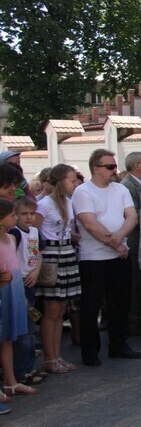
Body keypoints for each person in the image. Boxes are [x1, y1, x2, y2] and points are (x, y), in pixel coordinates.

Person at [72, 149, 141, 366]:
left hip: (119, 255)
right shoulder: (83, 191)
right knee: (91, 306)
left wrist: (120, 239)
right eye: (110, 167)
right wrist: (115, 244)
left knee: (121, 303)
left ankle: (118, 344)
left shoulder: (120, 189)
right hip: (93, 258)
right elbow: (89, 223)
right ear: (96, 168)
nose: (115, 170)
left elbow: (132, 216)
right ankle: (90, 351)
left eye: (115, 166)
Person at [34, 164, 80, 374]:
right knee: (51, 310)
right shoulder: (43, 205)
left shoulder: (68, 203)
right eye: (71, 180)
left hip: (67, 253)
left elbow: (69, 231)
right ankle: (49, 358)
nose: (74, 184)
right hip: (52, 257)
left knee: (61, 309)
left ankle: (57, 356)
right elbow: (35, 233)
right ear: (61, 181)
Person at [0, 199, 38, 397]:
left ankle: (11, 381)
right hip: (2, 291)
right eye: (13, 215)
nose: (16, 218)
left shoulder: (11, 238)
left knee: (8, 337)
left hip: (14, 289)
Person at [11, 197, 45, 386]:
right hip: (19, 282)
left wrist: (37, 271)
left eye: (32, 213)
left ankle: (28, 366)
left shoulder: (35, 231)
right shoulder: (15, 233)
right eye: (24, 214)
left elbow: (39, 252)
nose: (29, 218)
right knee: (23, 330)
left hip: (32, 279)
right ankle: (21, 369)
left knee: (31, 326)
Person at [120, 152, 141, 336]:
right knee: (134, 282)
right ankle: (133, 319)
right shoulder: (127, 186)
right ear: (137, 165)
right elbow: (135, 213)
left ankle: (139, 316)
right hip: (133, 240)